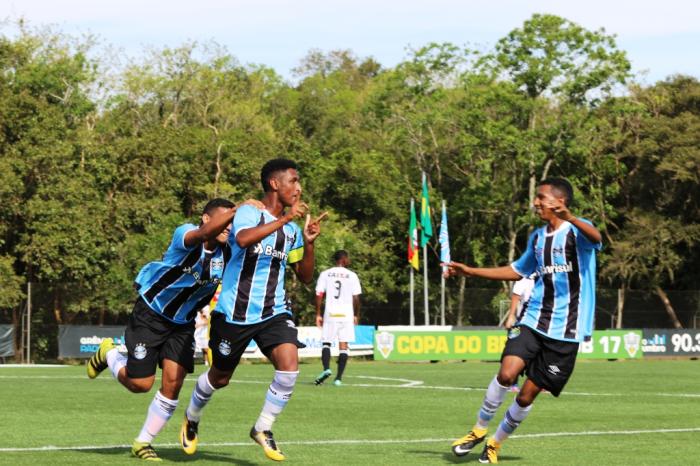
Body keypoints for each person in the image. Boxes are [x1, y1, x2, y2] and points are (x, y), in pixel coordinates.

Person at [444, 178, 602, 464]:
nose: (536, 203)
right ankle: (478, 430)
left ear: (559, 201)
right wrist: (471, 271)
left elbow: (596, 238)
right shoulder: (538, 237)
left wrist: (572, 218)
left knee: (527, 395)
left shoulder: (577, 232)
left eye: (541, 197)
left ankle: (495, 443)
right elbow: (518, 270)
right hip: (533, 319)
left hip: (567, 331)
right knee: (507, 374)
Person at [180, 158, 327, 462]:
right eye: (293, 181)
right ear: (275, 184)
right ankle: (192, 416)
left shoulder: (293, 232)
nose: (298, 188)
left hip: (274, 311)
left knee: (289, 367)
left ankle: (263, 428)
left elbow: (305, 276)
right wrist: (286, 220)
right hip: (234, 313)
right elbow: (244, 239)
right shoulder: (248, 212)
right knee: (219, 378)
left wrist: (309, 243)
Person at [86, 197, 253, 461]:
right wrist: (238, 209)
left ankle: (142, 443)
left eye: (232, 224)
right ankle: (109, 354)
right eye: (225, 221)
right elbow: (201, 234)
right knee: (141, 384)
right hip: (151, 314)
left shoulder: (227, 253)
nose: (228, 228)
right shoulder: (185, 234)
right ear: (206, 218)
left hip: (183, 324)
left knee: (173, 384)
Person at [313, 250, 362, 386]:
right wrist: (356, 315)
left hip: (331, 313)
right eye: (348, 258)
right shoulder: (352, 275)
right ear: (344, 259)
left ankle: (326, 369)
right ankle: (338, 378)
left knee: (326, 343)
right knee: (344, 346)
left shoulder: (325, 274)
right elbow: (356, 297)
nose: (349, 260)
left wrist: (318, 313)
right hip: (346, 314)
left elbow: (319, 295)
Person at [502, 276, 535, 393]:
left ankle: (537, 383)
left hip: (539, 324)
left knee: (540, 354)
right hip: (520, 322)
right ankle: (513, 384)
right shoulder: (524, 278)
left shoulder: (547, 276)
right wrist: (511, 316)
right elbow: (516, 296)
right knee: (514, 350)